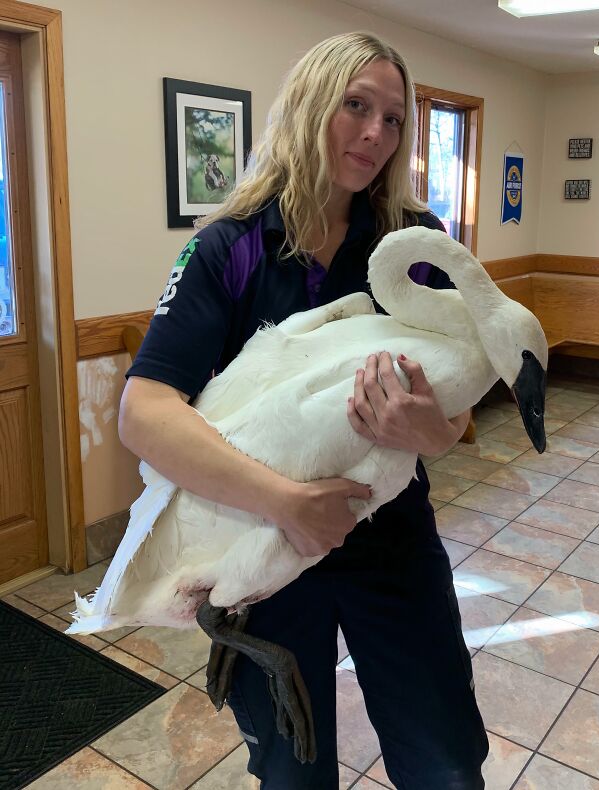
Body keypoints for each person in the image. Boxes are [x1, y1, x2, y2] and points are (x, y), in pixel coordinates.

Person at [120, 31, 488, 790]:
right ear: (310, 106)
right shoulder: (229, 248)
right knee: (293, 771)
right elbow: (143, 411)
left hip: (393, 543)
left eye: (392, 119)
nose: (375, 134)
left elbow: (448, 423)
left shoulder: (414, 243)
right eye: (355, 107)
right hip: (270, 547)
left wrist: (428, 431)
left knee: (446, 760)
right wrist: (286, 503)